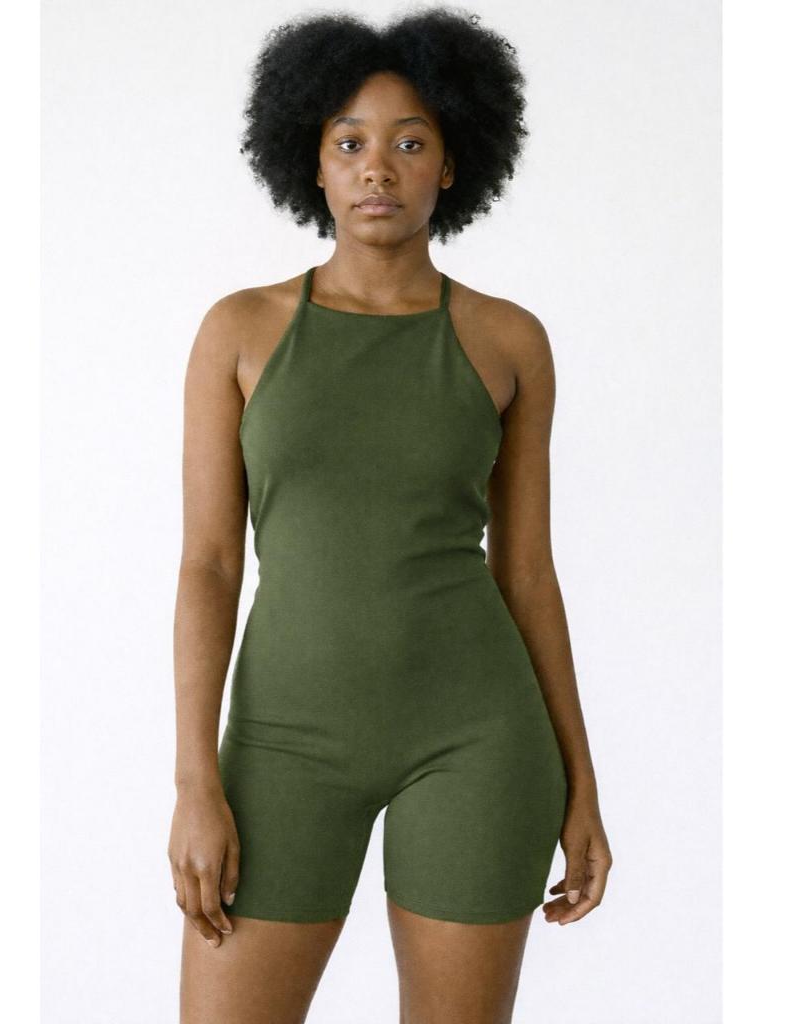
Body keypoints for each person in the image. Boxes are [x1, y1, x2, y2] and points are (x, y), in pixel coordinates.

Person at [168, 8, 612, 1022]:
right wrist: (195, 779)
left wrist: (581, 784)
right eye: (350, 143)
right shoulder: (240, 331)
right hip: (282, 743)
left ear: (452, 164)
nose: (378, 167)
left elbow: (527, 574)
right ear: (313, 163)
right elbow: (208, 565)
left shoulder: (508, 340)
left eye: (410, 143)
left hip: (478, 738)